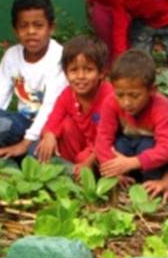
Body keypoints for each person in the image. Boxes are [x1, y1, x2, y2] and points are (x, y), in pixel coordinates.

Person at [0, 0, 67, 160]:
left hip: (52, 128)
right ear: (15, 30)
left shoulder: (59, 57)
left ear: (51, 27)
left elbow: (51, 105)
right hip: (22, 124)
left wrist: (24, 144)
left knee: (40, 152)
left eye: (38, 25)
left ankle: (19, 155)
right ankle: (8, 154)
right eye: (23, 26)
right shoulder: (11, 56)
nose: (31, 31)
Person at [95, 49, 168, 199]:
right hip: (126, 152)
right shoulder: (111, 102)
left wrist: (133, 162)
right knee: (119, 145)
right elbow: (102, 139)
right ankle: (121, 189)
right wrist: (114, 170)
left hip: (153, 160)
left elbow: (167, 149)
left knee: (146, 144)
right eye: (120, 95)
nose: (126, 103)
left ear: (152, 90)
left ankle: (151, 193)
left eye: (134, 95)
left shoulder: (163, 109)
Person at [35, 35, 115, 173]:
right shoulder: (67, 94)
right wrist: (49, 135)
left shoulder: (109, 96)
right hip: (79, 148)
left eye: (88, 70)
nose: (80, 76)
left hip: (103, 149)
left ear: (101, 73)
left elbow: (109, 138)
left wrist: (88, 162)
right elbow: (53, 120)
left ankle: (77, 171)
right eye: (74, 70)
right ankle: (70, 169)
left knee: (88, 156)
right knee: (64, 126)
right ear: (66, 73)